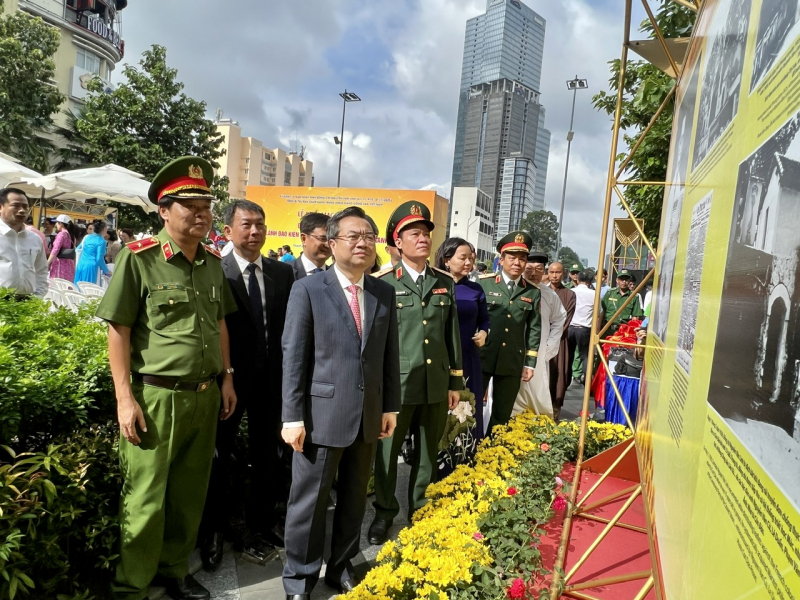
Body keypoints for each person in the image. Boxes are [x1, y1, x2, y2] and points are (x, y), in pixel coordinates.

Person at [95, 156, 237, 600]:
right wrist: (124, 398)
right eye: (188, 205)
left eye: (205, 205)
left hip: (205, 395)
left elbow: (220, 323)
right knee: (145, 498)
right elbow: (117, 329)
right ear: (163, 210)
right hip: (156, 398)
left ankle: (173, 571)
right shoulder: (141, 259)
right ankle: (132, 588)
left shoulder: (212, 262)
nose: (200, 213)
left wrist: (227, 378)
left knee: (188, 494)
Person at [280, 206, 401, 599]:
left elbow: (388, 356)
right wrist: (292, 416)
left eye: (369, 235)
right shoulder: (309, 289)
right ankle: (299, 578)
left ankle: (341, 565)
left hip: (367, 417)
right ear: (332, 243)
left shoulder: (383, 291)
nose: (363, 242)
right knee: (308, 504)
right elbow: (294, 356)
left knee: (353, 500)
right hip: (320, 417)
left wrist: (390, 408)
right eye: (354, 235)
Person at [199, 199, 294, 570]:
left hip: (272, 381)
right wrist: (226, 375)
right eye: (246, 225)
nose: (254, 232)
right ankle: (213, 532)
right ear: (229, 229)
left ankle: (261, 524)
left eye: (260, 224)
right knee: (220, 459)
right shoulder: (214, 270)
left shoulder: (280, 273)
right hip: (230, 382)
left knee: (266, 456)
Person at [369, 201, 463, 545]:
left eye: (426, 233)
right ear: (398, 241)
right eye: (414, 233)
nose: (423, 239)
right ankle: (383, 512)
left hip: (435, 383)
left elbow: (451, 334)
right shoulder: (381, 283)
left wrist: (455, 381)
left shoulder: (444, 282)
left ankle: (419, 507)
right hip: (397, 388)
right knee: (387, 454)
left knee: (427, 453)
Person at [434, 237, 490, 476]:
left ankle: (464, 465)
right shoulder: (435, 283)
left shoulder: (476, 289)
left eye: (471, 258)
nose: (468, 263)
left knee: (467, 412)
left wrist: (485, 332)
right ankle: (436, 466)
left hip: (468, 359)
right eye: (463, 257)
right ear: (447, 260)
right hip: (439, 359)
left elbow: (484, 319)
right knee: (440, 413)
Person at [479, 232, 541, 432]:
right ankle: (466, 453)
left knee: (502, 413)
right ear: (501, 259)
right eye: (512, 257)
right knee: (469, 408)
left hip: (511, 360)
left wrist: (530, 363)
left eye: (522, 259)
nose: (517, 262)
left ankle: (491, 455)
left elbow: (534, 328)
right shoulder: (483, 283)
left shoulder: (532, 292)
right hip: (482, 356)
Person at [512, 252, 565, 420]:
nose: (533, 273)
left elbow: (559, 319)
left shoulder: (549, 295)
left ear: (544, 272)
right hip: (512, 349)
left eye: (538, 269)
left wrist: (550, 346)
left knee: (536, 389)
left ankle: (535, 424)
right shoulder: (514, 290)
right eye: (529, 269)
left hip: (539, 350)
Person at [0, 188, 48, 298]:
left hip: (27, 302)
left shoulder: (35, 239)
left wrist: (37, 298)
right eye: (16, 205)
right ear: (1, 207)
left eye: (25, 207)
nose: (22, 210)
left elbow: (41, 271)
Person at [545, 261, 575, 420]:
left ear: (563, 273)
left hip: (559, 341)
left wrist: (552, 338)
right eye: (551, 272)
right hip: (540, 338)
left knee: (558, 375)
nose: (554, 276)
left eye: (557, 272)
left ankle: (555, 410)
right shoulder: (541, 291)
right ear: (547, 273)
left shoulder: (569, 294)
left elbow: (565, 320)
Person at [570, 270, 595, 385]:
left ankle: (566, 379)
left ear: (578, 280)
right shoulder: (594, 294)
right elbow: (598, 313)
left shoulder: (571, 292)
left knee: (568, 355)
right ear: (590, 282)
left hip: (570, 327)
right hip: (585, 328)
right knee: (585, 355)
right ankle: (587, 381)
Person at [599, 269, 643, 333]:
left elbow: (635, 317)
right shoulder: (610, 293)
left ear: (629, 281)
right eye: (622, 279)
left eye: (626, 279)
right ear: (617, 280)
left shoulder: (634, 297)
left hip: (623, 331)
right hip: (607, 330)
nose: (624, 282)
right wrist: (598, 330)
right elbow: (602, 312)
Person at [292, 212, 330, 279]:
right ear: (304, 239)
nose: (327, 244)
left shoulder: (336, 276)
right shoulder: (285, 272)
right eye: (322, 238)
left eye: (331, 239)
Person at [74, 220, 110, 285]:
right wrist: (106, 271)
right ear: (104, 229)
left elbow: (77, 249)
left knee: (79, 288)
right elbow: (99, 259)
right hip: (92, 267)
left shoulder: (87, 237)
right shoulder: (102, 241)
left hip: (81, 264)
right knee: (90, 289)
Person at [48, 214, 77, 281]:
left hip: (60, 265)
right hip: (70, 265)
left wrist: (48, 262)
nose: (55, 225)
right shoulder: (72, 236)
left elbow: (55, 250)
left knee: (57, 286)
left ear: (61, 224)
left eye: (57, 223)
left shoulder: (62, 234)